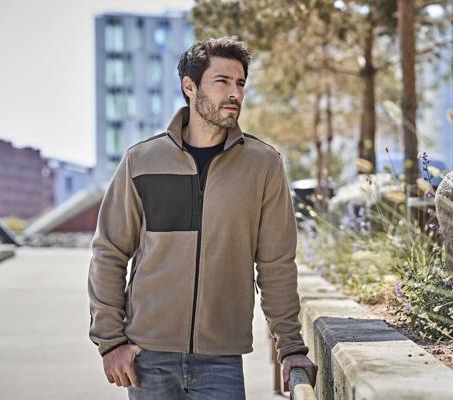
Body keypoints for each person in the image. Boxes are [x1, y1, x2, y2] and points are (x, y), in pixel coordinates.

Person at [88, 36, 318, 400]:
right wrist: (111, 342)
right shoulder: (142, 161)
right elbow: (109, 253)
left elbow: (276, 263)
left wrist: (290, 347)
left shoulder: (263, 165)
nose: (235, 93)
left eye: (240, 83)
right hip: (147, 358)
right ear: (190, 86)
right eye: (222, 81)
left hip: (220, 360)